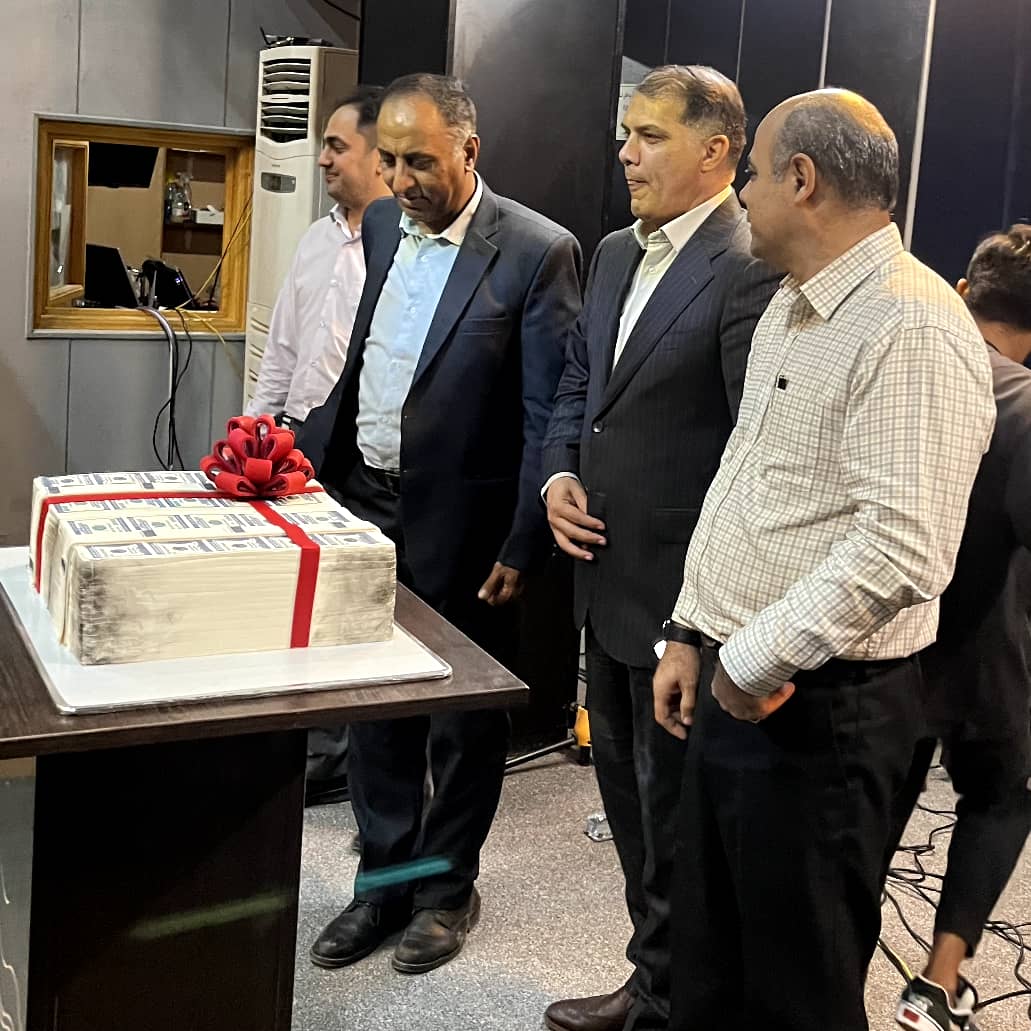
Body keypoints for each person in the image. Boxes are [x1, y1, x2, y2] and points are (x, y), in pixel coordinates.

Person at [652, 89, 996, 1031]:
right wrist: (689, 629)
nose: (742, 194)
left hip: (820, 712)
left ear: (800, 179)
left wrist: (751, 658)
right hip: (740, 677)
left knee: (795, 989)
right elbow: (746, 486)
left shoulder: (909, 324)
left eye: (752, 174)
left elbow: (903, 547)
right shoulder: (792, 306)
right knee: (711, 961)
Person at [297, 73, 582, 975]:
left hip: (468, 528)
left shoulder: (536, 250)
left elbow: (547, 412)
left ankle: (444, 888)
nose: (400, 178)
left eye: (419, 160)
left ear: (469, 150)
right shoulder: (384, 224)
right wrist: (311, 467)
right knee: (374, 709)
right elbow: (371, 362)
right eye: (388, 159)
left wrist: (523, 541)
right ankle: (383, 882)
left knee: (461, 725)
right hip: (366, 504)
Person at [540, 65, 779, 1031]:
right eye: (624, 134)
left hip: (688, 606)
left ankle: (680, 998)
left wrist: (702, 614)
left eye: (648, 136)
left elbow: (757, 448)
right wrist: (557, 473)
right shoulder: (611, 253)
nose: (625, 153)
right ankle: (655, 983)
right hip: (604, 583)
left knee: (678, 823)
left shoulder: (750, 261)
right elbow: (578, 382)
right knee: (633, 814)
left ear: (716, 150)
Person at [891, 225, 1031, 1031]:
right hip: (984, 644)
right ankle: (937, 983)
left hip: (880, 642)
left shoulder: (907, 368)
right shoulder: (1022, 403)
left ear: (961, 290)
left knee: (872, 809)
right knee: (1002, 793)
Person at [245, 85, 392, 808]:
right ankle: (310, 744)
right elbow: (282, 347)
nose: (323, 158)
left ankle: (340, 756)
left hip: (362, 453)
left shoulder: (400, 250)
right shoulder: (315, 238)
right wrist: (253, 431)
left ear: (378, 155)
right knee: (299, 599)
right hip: (298, 442)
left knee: (350, 602)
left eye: (337, 146)